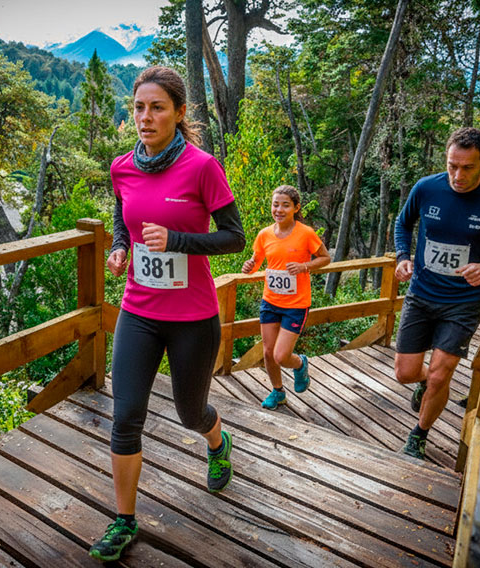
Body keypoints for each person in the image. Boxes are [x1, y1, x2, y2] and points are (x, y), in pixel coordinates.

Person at [89, 66, 246, 562]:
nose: (145, 117)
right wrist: (120, 246)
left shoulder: (202, 167)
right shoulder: (121, 168)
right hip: (138, 311)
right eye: (139, 107)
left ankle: (216, 441)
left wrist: (177, 240)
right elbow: (124, 219)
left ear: (179, 113)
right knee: (125, 416)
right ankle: (124, 520)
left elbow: (235, 238)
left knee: (189, 412)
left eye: (157, 107)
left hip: (193, 317)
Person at [392, 127, 480, 460]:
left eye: (468, 167)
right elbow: (403, 223)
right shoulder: (426, 187)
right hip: (421, 294)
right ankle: (424, 382)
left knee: (441, 373)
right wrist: (402, 256)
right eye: (452, 166)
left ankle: (419, 434)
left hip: (463, 302)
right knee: (405, 373)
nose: (458, 175)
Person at [241, 185, 330, 409]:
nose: (279, 210)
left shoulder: (306, 233)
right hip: (270, 301)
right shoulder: (264, 234)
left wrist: (304, 266)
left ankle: (300, 364)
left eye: (285, 205)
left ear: (296, 208)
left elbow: (325, 258)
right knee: (268, 352)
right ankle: (278, 391)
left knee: (281, 355)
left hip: (296, 304)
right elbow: (256, 262)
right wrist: (249, 266)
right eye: (275, 205)